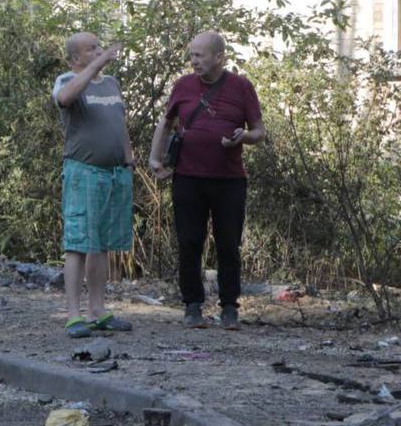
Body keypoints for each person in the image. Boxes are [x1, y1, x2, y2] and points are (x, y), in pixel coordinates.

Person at [149, 31, 266, 330]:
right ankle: (192, 306)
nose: (194, 61)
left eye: (200, 55)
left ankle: (229, 308)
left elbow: (258, 132)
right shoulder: (183, 85)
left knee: (229, 244)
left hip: (230, 181)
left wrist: (244, 136)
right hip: (188, 177)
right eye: (192, 55)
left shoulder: (241, 87)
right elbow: (166, 122)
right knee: (189, 242)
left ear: (219, 56)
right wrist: (154, 158)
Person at [53, 32, 135, 339]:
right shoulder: (65, 80)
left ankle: (98, 311)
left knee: (102, 243)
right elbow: (65, 99)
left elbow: (119, 123)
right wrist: (97, 64)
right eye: (92, 49)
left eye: (100, 47)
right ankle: (74, 316)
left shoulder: (112, 84)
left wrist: (129, 161)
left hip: (114, 173)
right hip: (82, 172)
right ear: (75, 59)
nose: (100, 51)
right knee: (78, 243)